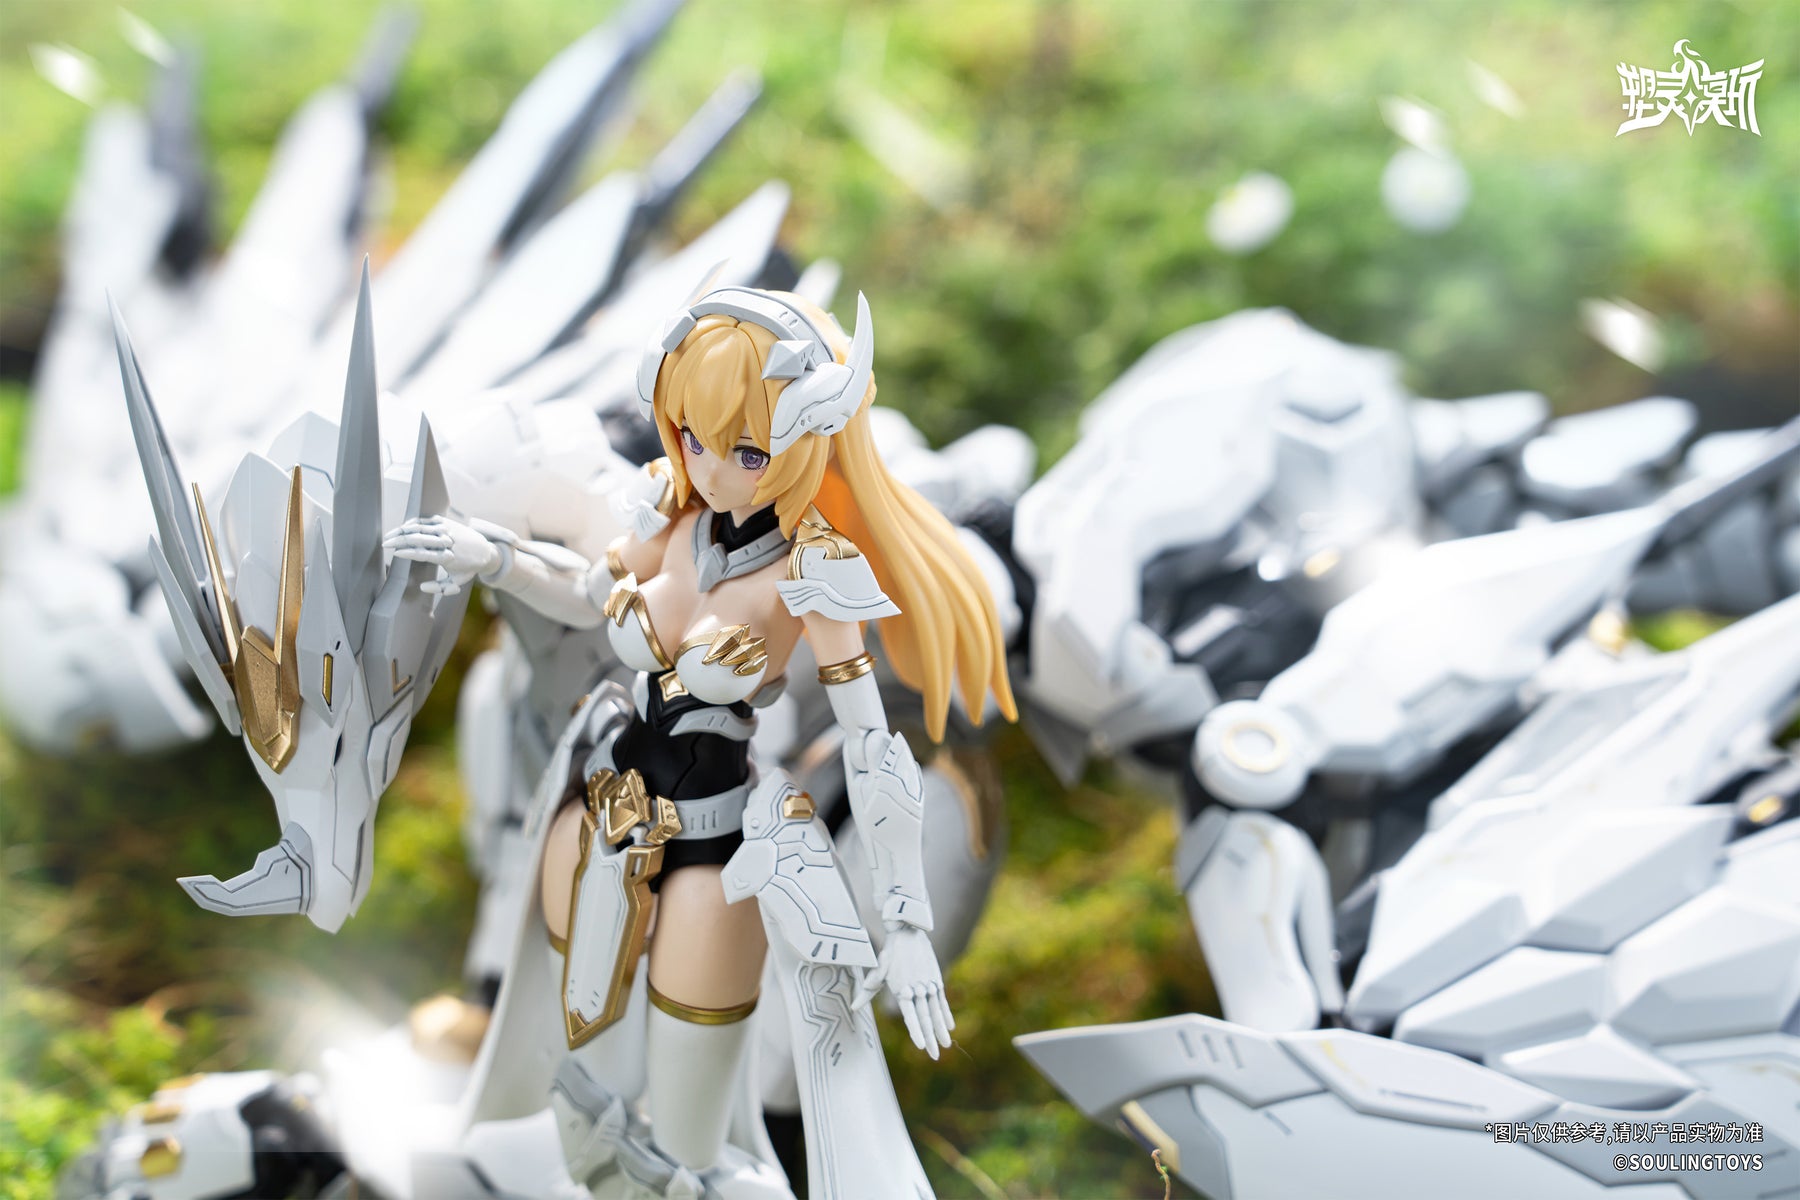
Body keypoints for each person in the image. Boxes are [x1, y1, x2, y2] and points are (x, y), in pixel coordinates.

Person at [386, 283, 1017, 1195]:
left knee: (689, 1146)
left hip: (720, 843)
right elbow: (588, 592)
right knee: (584, 1092)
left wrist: (907, 922)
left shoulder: (816, 569)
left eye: (747, 450)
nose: (713, 468)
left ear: (807, 440)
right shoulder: (673, 519)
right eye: (692, 437)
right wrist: (499, 560)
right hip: (603, 817)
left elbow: (872, 746)